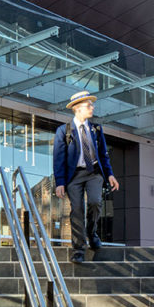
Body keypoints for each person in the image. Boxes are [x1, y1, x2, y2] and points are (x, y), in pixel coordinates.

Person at [53, 89, 117, 263]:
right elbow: (58, 159)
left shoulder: (96, 129)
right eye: (89, 105)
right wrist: (60, 182)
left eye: (92, 105)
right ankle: (78, 249)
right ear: (77, 109)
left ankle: (92, 232)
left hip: (94, 173)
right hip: (74, 176)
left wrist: (110, 174)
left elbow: (103, 154)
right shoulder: (63, 131)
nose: (92, 107)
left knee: (96, 202)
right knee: (77, 211)